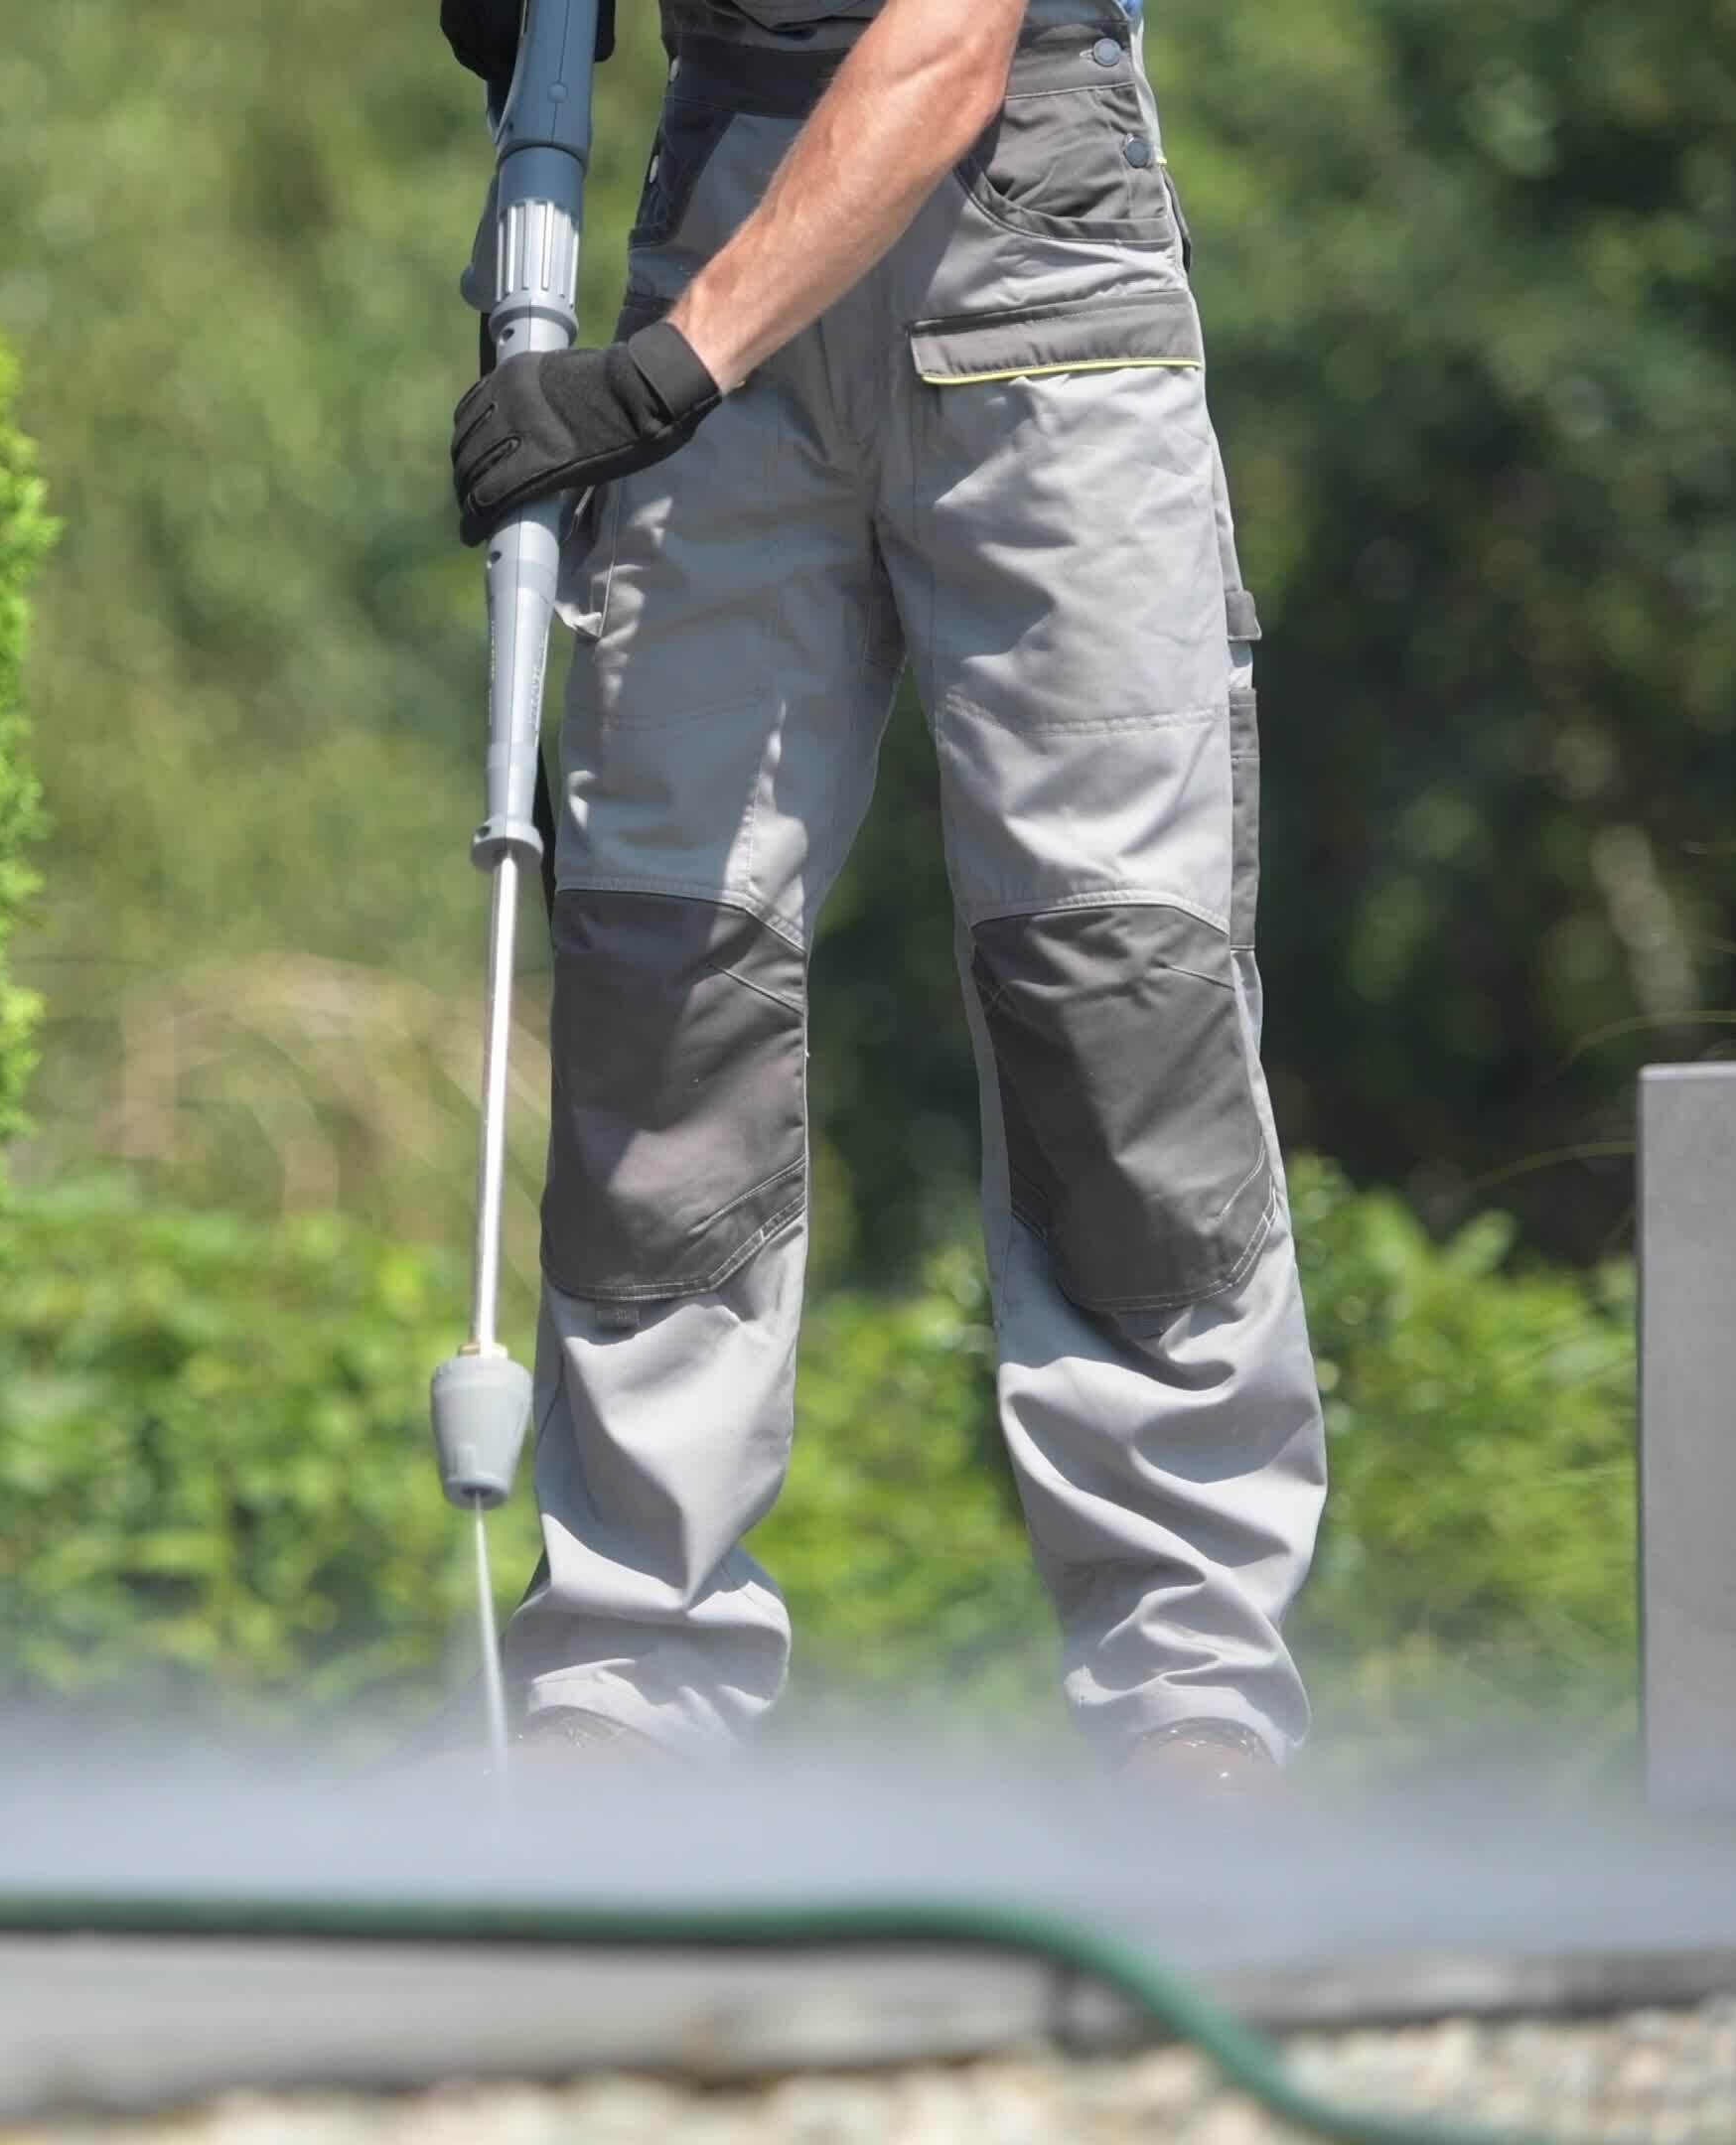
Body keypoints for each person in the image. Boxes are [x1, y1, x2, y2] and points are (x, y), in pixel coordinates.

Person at [443, 0, 1324, 1799]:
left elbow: (950, 40)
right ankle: (623, 1681)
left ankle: (1191, 1696)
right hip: (730, 184)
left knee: (1114, 998)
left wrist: (661, 375)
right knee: (662, 989)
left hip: (1030, 246)